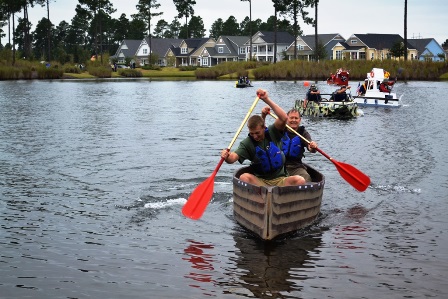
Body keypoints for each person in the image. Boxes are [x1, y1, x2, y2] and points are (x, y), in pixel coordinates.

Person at [221, 89, 307, 187]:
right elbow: (232, 159)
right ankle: (259, 197)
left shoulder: (272, 132)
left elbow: (283, 118)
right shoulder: (247, 143)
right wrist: (226, 156)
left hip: (281, 180)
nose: (255, 136)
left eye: (257, 133)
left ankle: (286, 198)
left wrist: (266, 99)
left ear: (264, 127)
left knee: (300, 180)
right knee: (244, 177)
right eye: (252, 133)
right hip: (260, 181)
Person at [261, 107, 318, 182]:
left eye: (296, 118)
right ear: (287, 119)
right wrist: (263, 116)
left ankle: (301, 192)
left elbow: (311, 148)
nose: (294, 120)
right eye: (291, 118)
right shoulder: (279, 129)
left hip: (295, 167)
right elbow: (262, 133)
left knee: (306, 177)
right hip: (278, 166)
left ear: (300, 120)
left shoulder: (303, 132)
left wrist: (313, 146)